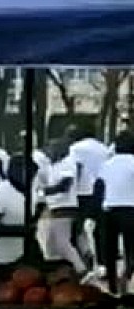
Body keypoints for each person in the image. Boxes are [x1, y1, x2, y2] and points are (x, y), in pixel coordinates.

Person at [0, 155, 38, 291]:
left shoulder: (31, 193)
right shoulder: (0, 193)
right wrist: (23, 231)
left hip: (18, 258)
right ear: (12, 171)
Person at [94, 131, 134, 294]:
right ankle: (128, 276)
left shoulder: (107, 164)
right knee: (131, 248)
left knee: (110, 249)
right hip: (131, 209)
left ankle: (112, 286)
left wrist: (97, 210)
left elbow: (98, 187)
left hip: (109, 210)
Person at [43, 138, 89, 277]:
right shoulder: (53, 166)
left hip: (65, 207)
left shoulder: (66, 164)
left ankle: (81, 269)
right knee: (52, 243)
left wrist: (45, 191)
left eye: (52, 148)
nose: (49, 152)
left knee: (62, 242)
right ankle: (62, 269)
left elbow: (65, 185)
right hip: (57, 207)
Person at [70, 124, 111, 271]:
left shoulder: (76, 148)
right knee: (101, 229)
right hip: (101, 192)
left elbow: (76, 168)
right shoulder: (104, 149)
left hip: (82, 192)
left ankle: (82, 260)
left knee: (77, 229)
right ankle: (103, 262)